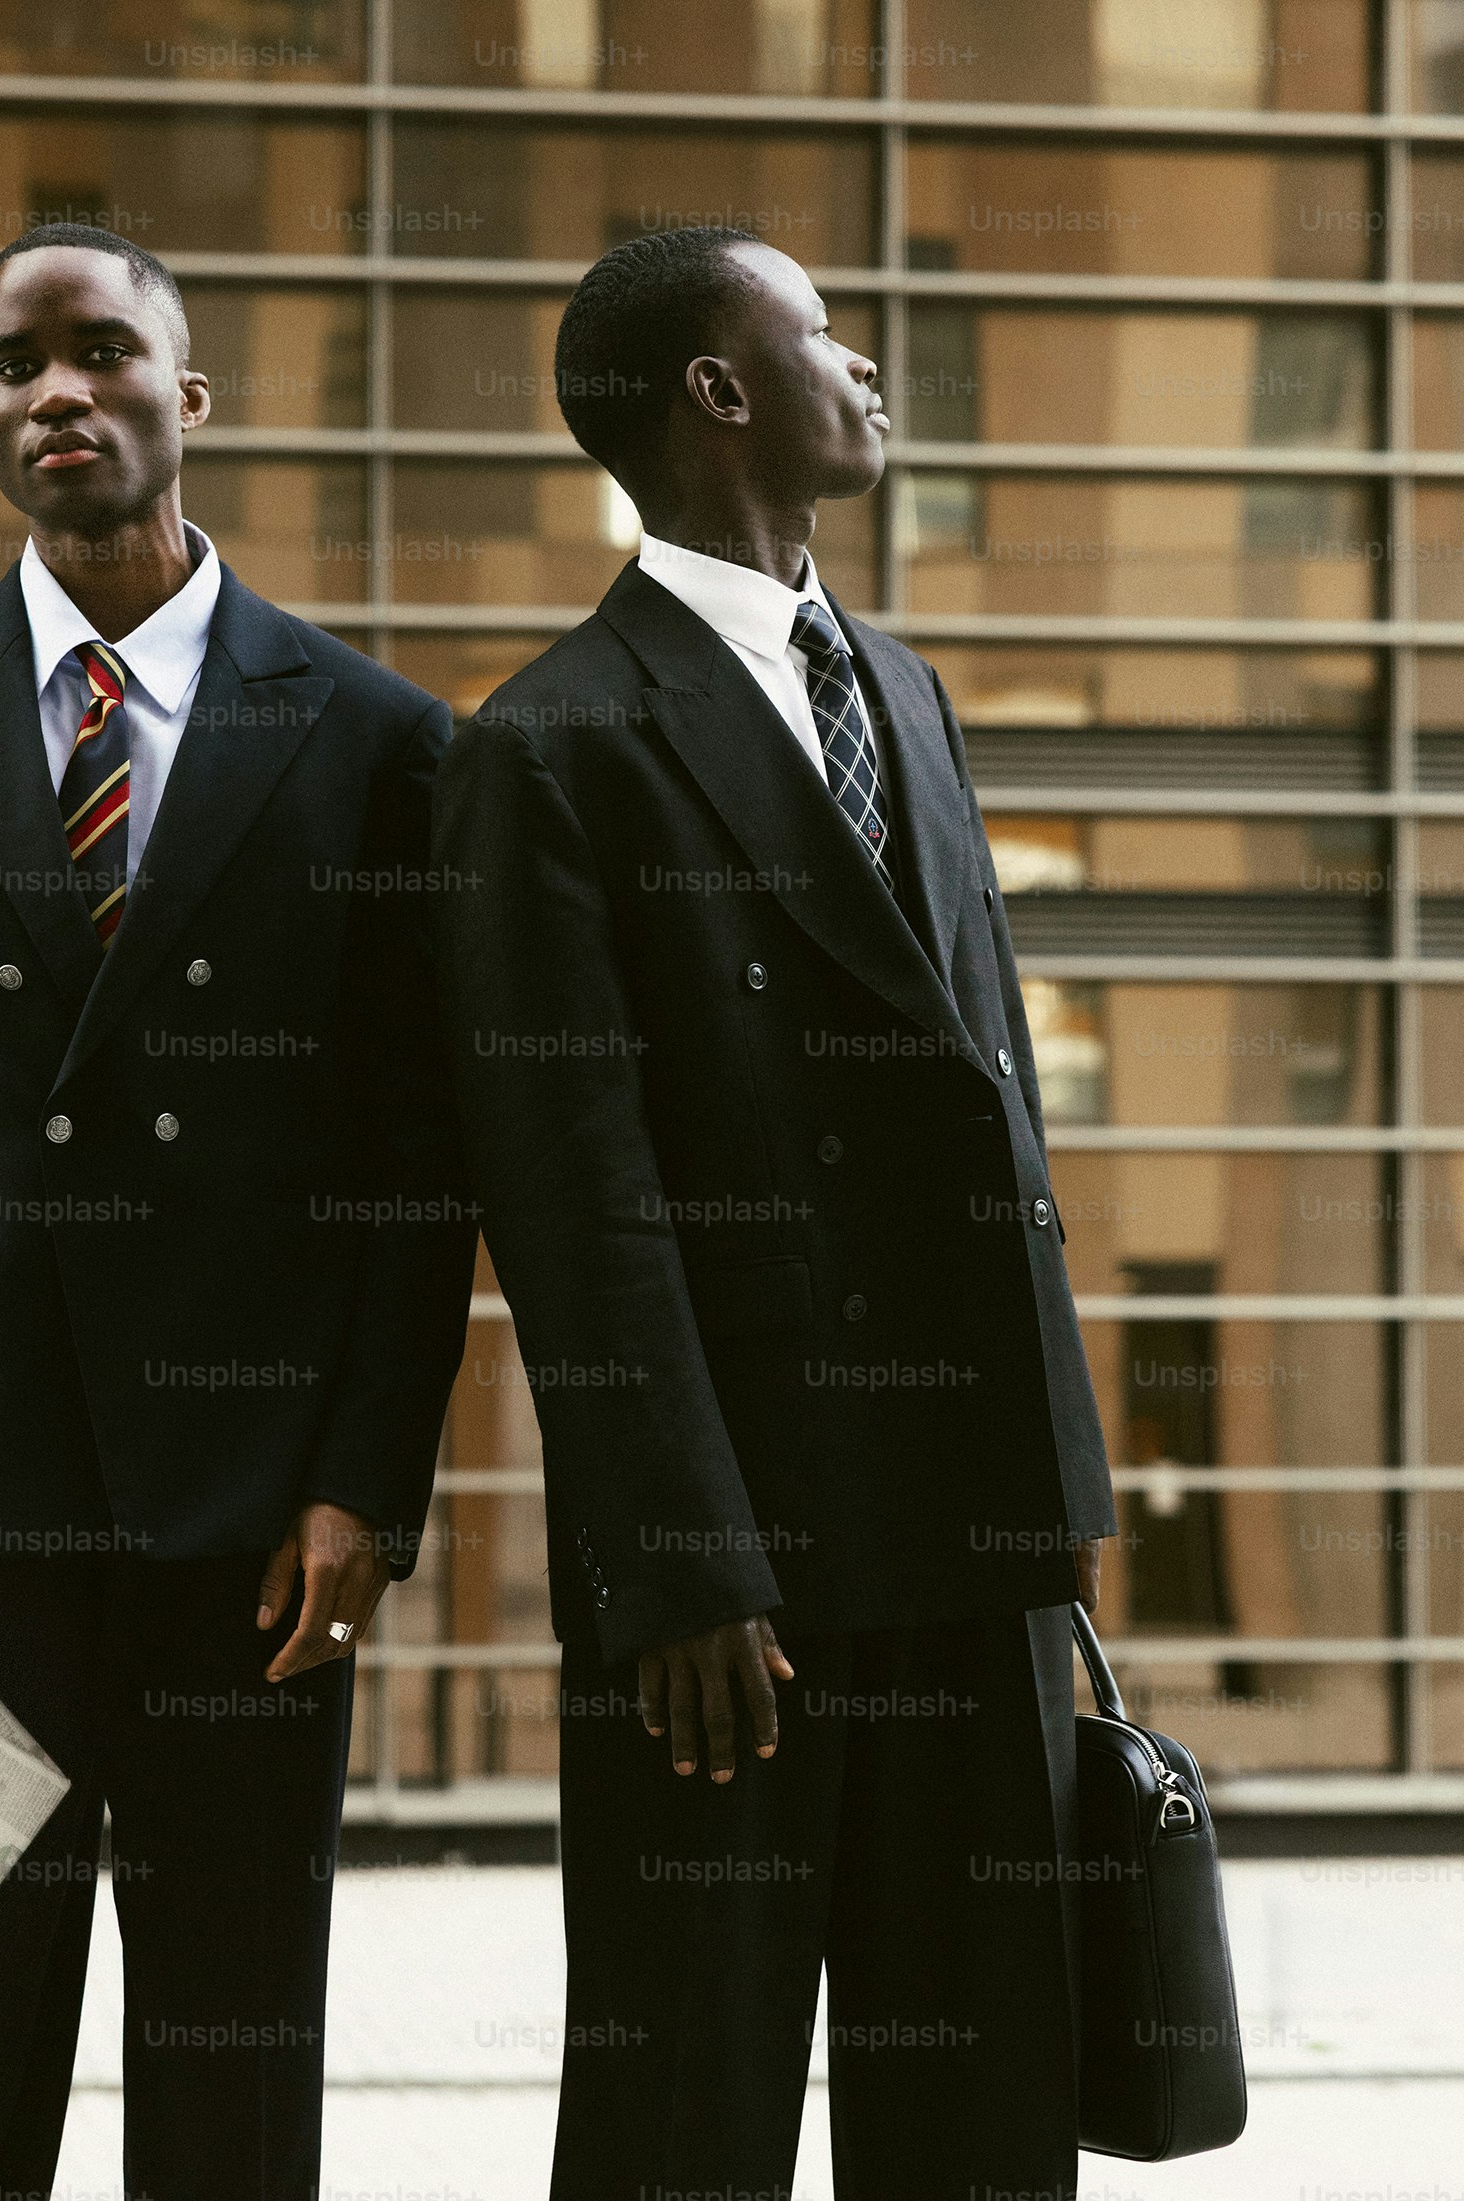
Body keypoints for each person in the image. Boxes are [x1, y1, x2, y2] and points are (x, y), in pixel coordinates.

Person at [0, 222, 474, 2201]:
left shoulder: (382, 746)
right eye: (11, 364)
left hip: (248, 1552)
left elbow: (419, 1160)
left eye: (103, 352)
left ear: (185, 396)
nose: (56, 389)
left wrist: (362, 1492)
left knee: (231, 2098)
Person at [432, 225, 1118, 2201]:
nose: (868, 363)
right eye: (822, 331)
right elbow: (573, 1198)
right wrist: (678, 1563)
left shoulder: (901, 692)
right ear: (719, 395)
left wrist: (1055, 1495)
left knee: (985, 2108)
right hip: (731, 1586)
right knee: (683, 2118)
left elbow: (996, 1132)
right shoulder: (548, 744)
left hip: (970, 1538)